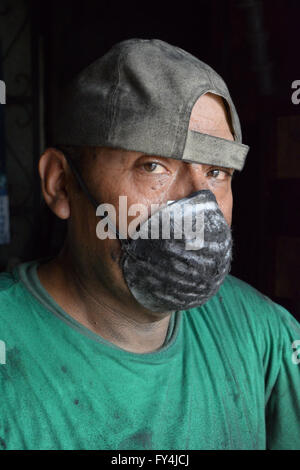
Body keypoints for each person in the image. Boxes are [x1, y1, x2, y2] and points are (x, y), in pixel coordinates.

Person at [0, 38, 299, 450]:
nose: (199, 206)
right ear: (60, 183)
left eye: (217, 172)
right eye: (153, 166)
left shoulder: (267, 337)